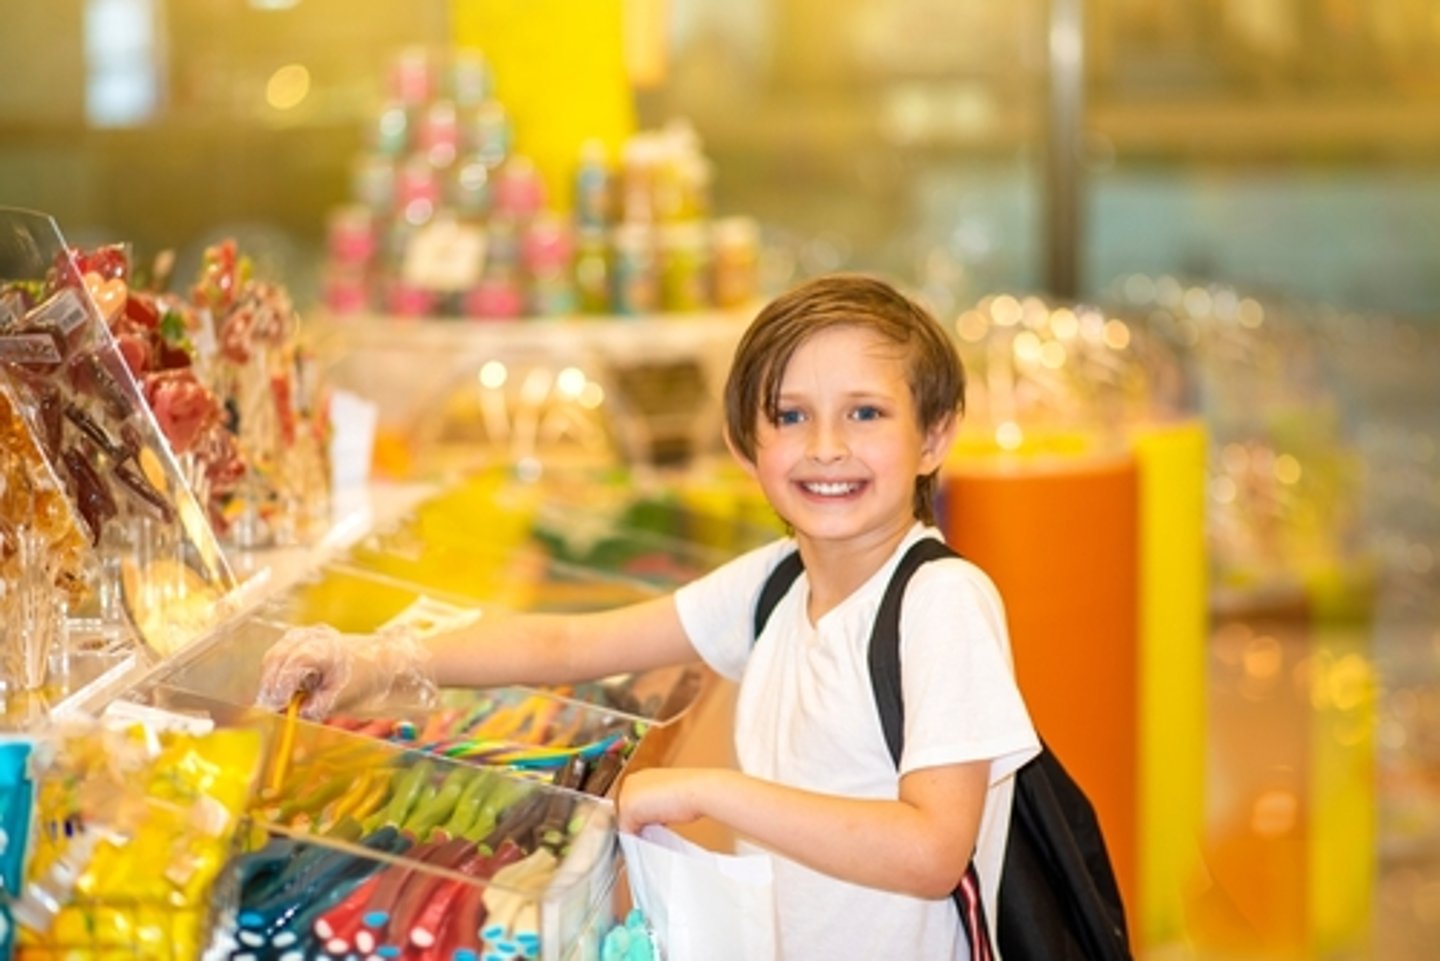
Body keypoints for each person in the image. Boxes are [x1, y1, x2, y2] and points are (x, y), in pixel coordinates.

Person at [256, 273, 1039, 960]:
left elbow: (932, 850)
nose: (825, 447)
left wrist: (711, 791)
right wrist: (375, 661)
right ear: (746, 446)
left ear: (934, 435)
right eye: (790, 415)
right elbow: (569, 640)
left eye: (865, 413)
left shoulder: (940, 602)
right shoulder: (777, 584)